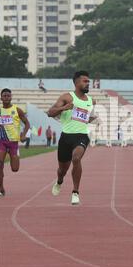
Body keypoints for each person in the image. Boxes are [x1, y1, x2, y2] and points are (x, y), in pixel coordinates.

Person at [47, 70, 99, 205]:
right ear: (76, 82)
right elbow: (50, 113)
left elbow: (85, 119)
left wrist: (91, 118)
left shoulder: (91, 101)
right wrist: (64, 107)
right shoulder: (67, 97)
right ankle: (59, 181)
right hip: (66, 137)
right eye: (85, 81)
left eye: (89, 81)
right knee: (62, 170)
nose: (88, 84)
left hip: (81, 135)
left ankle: (75, 192)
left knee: (76, 158)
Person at [0, 88, 30, 196]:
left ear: (11, 97)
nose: (6, 97)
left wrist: (23, 134)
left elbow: (27, 123)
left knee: (15, 169)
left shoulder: (17, 110)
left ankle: (14, 157)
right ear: (1, 98)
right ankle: (1, 188)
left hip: (13, 143)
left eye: (8, 95)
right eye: (4, 96)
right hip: (2, 142)